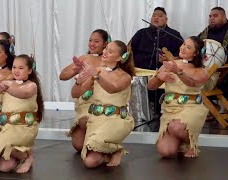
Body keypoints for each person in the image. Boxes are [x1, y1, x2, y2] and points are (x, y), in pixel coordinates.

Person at [72, 40, 135, 168]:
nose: (105, 52)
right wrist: (78, 82)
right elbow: (75, 94)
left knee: (90, 162)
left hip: (116, 120)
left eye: (110, 51)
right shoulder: (96, 71)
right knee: (90, 162)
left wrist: (96, 75)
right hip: (97, 119)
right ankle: (111, 152)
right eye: (106, 48)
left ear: (119, 57)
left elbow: (112, 88)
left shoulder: (125, 76)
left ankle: (114, 149)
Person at [0, 54, 44, 173]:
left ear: (29, 70)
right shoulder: (8, 83)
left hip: (25, 128)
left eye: (21, 68)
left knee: (3, 146)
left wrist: (6, 88)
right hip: (9, 128)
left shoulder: (31, 85)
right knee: (4, 167)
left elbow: (22, 93)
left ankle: (27, 158)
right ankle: (20, 156)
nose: (16, 71)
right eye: (14, 67)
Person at [148, 36, 209, 158]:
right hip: (170, 110)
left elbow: (192, 83)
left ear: (196, 53)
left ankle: (190, 142)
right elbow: (151, 86)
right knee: (165, 152)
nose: (183, 48)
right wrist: (159, 77)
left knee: (175, 126)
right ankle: (180, 141)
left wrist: (179, 72)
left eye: (188, 47)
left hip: (191, 108)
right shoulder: (170, 64)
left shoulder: (201, 70)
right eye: (184, 44)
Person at [130, 7, 184, 126]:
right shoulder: (141, 33)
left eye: (160, 16)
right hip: (140, 72)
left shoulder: (174, 35)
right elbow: (128, 51)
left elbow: (183, 57)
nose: (156, 18)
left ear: (166, 19)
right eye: (154, 15)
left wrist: (170, 59)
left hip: (162, 73)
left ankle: (158, 110)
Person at [59, 29, 109, 152]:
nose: (92, 44)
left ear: (105, 43)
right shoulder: (84, 58)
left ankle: (102, 141)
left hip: (102, 102)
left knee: (86, 124)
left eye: (96, 41)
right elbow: (62, 76)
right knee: (78, 146)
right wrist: (75, 70)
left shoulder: (109, 59)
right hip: (85, 102)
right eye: (90, 40)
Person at [199, 7, 228, 106]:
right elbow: (194, 48)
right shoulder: (204, 34)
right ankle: (211, 110)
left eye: (215, 16)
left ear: (224, 17)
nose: (211, 18)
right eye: (210, 16)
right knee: (191, 79)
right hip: (208, 72)